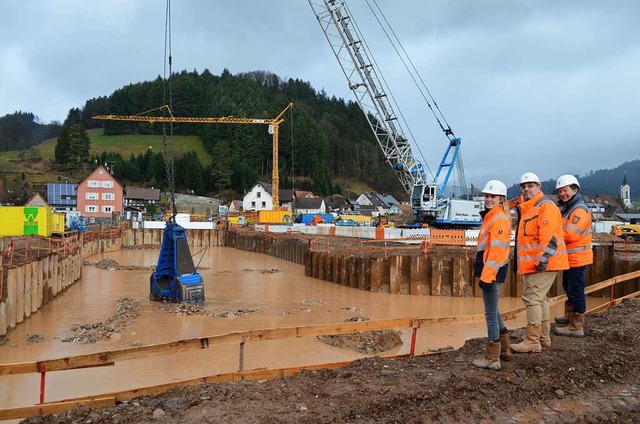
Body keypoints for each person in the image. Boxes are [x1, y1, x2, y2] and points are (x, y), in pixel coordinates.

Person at [511, 172, 569, 353]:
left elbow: (549, 238)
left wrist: (542, 262)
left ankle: (532, 340)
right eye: (524, 186)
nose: (527, 189)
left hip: (543, 264)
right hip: (536, 264)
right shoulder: (529, 208)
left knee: (532, 298)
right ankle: (543, 338)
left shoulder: (545, 207)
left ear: (539, 187)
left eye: (531, 185)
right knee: (540, 299)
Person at [472, 180, 512, 371]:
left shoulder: (498, 219)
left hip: (492, 271)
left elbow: (496, 251)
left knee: (489, 314)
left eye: (492, 196)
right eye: (486, 196)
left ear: (501, 199)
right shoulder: (493, 217)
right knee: (494, 310)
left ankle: (492, 357)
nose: (488, 199)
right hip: (490, 270)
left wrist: (487, 275)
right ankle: (504, 349)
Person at [553, 174, 593, 337]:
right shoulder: (567, 208)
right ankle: (571, 316)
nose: (562, 193)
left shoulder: (579, 210)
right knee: (568, 287)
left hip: (578, 259)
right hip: (569, 259)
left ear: (575, 190)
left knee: (576, 290)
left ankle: (576, 326)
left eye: (565, 190)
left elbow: (570, 234)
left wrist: (552, 233)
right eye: (560, 191)